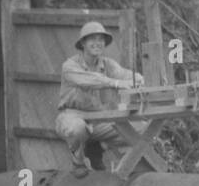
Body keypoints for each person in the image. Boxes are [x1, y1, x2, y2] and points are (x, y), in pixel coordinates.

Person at [55, 21, 144, 171]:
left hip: (99, 120)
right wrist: (116, 83)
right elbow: (90, 80)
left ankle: (100, 149)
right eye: (92, 39)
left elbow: (126, 75)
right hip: (72, 116)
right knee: (76, 129)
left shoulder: (109, 64)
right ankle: (78, 161)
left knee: (140, 129)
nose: (97, 43)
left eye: (101, 39)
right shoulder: (69, 66)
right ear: (83, 43)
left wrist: (139, 79)